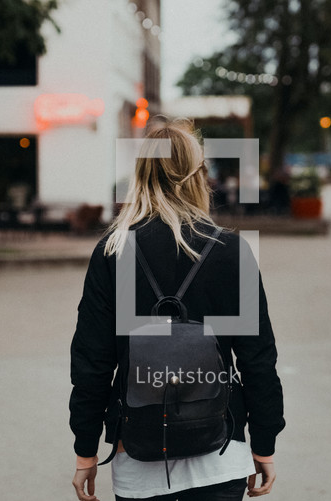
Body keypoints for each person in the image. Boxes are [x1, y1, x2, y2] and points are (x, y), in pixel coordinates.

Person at [69, 117, 285, 500]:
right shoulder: (230, 251)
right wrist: (263, 442)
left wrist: (86, 450)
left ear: (141, 174)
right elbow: (257, 358)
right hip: (220, 450)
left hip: (138, 454)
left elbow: (92, 362)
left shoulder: (113, 251)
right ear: (198, 176)